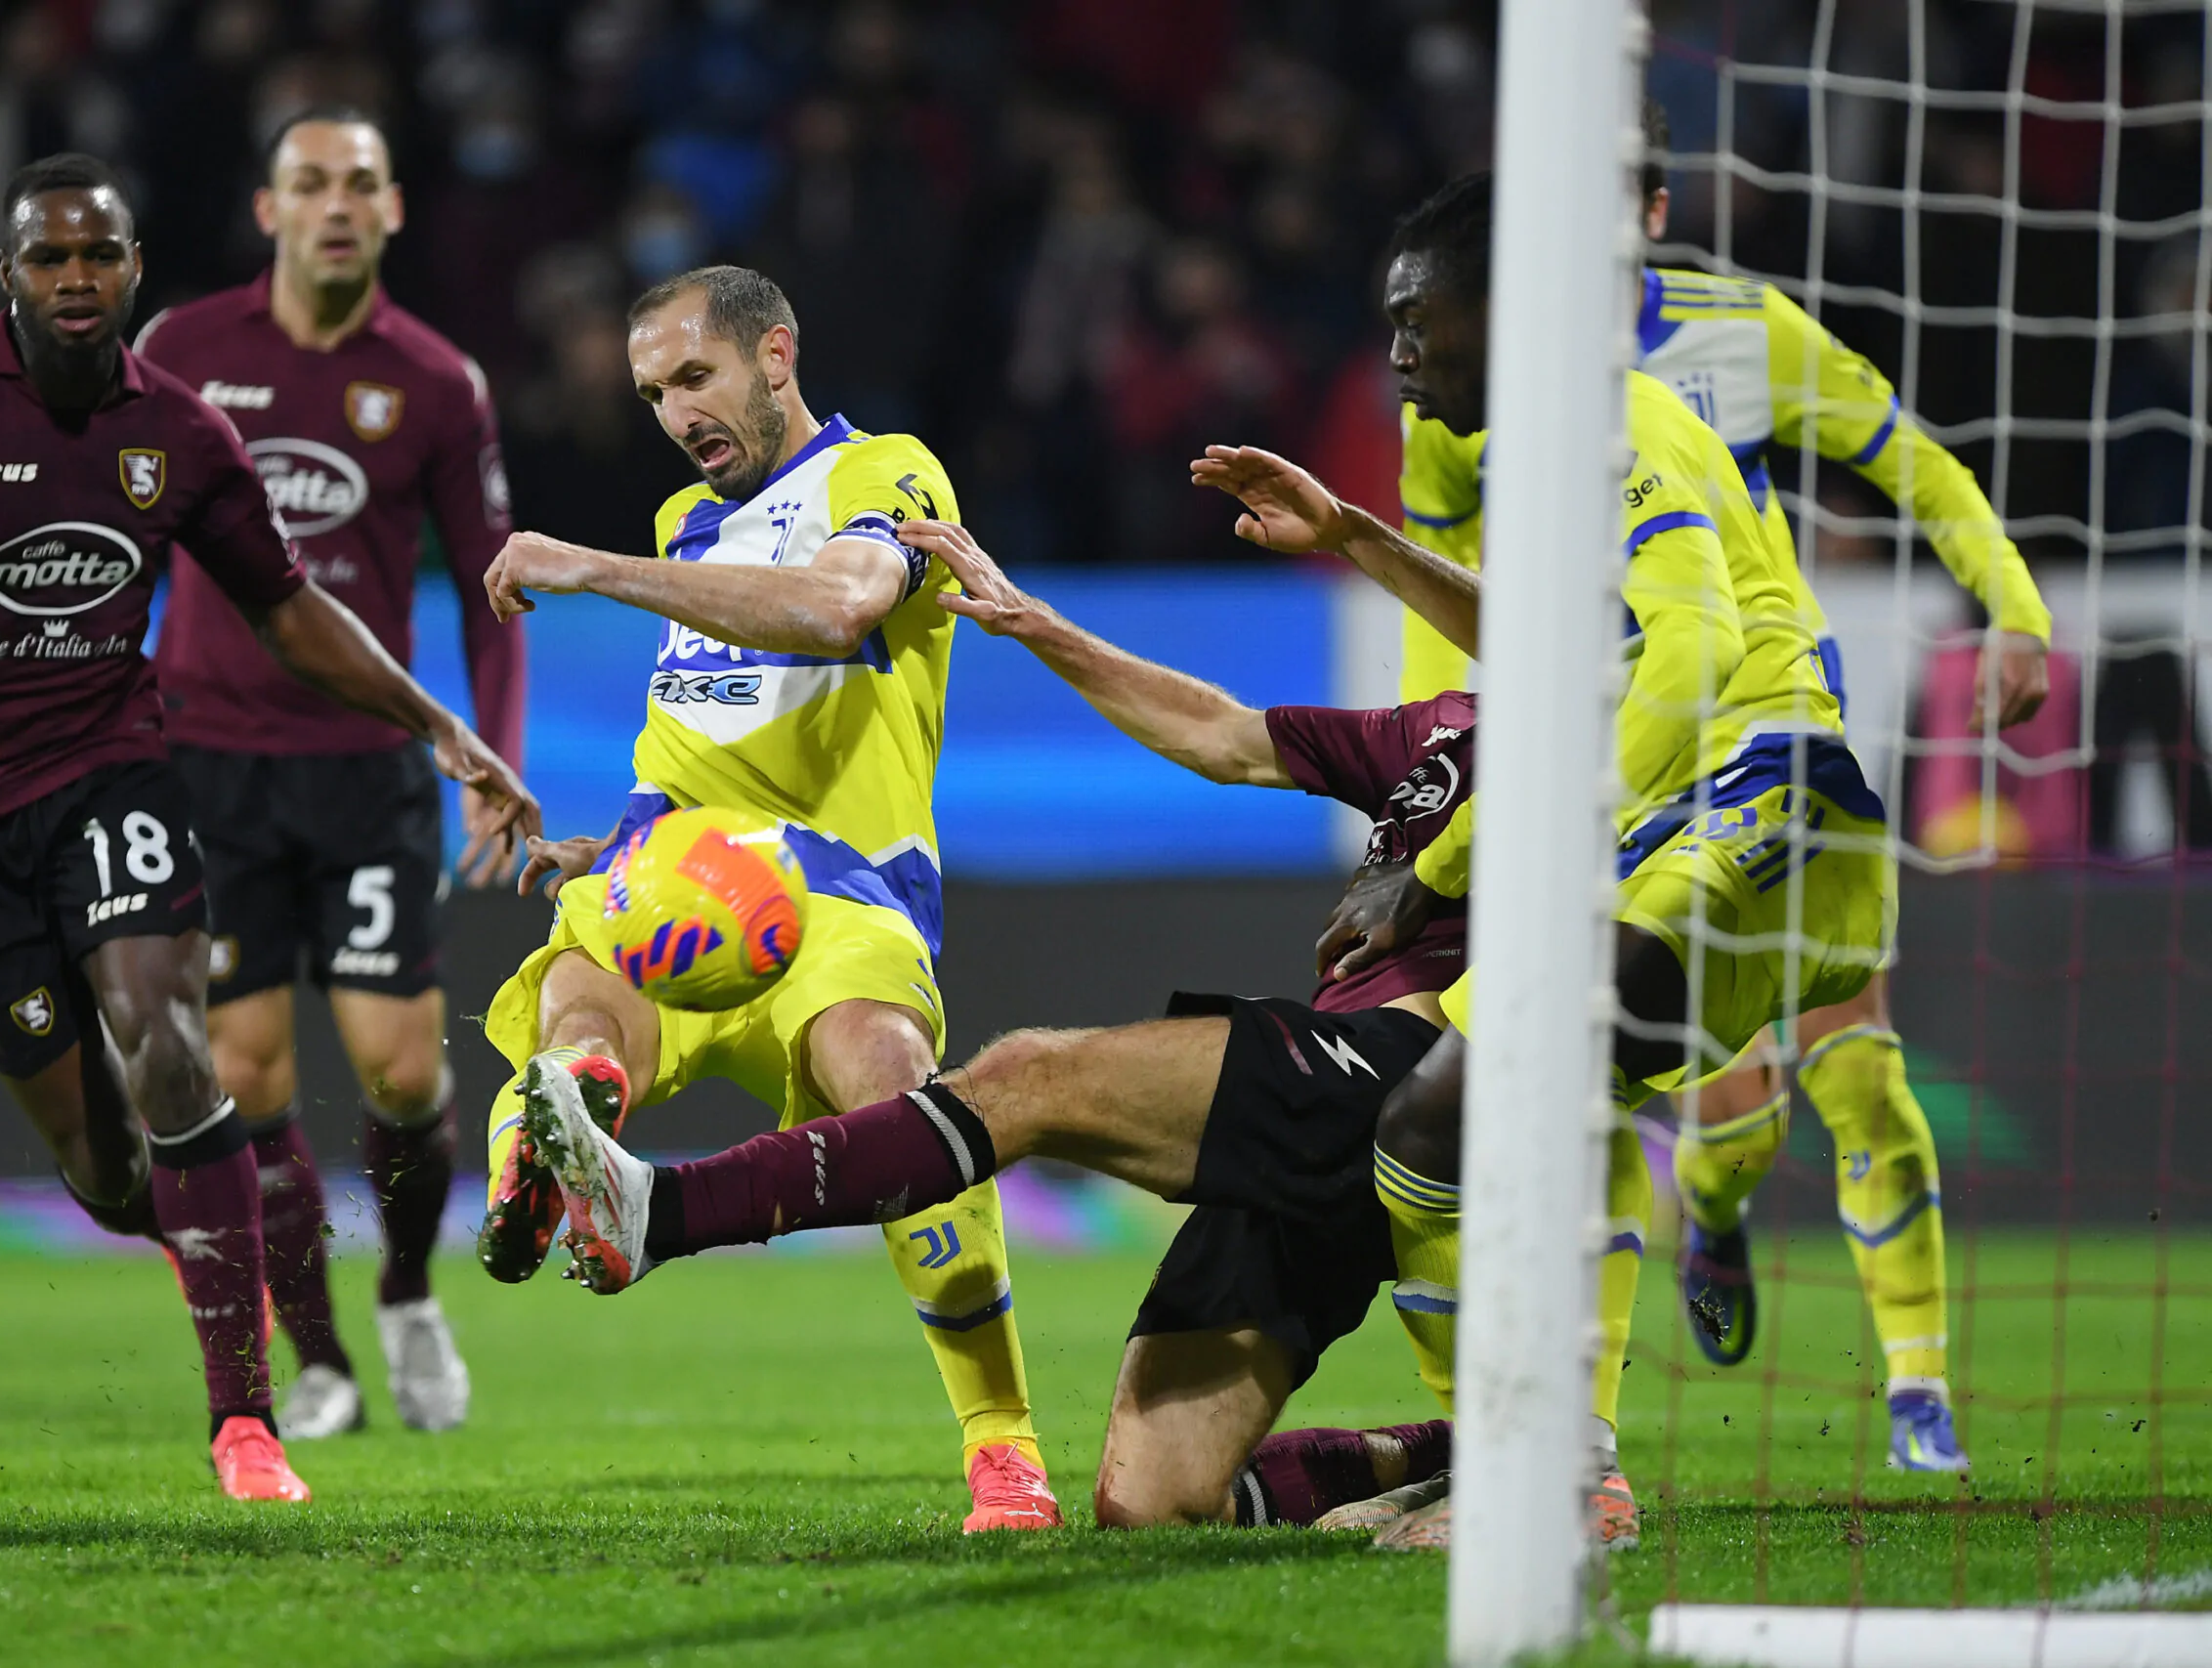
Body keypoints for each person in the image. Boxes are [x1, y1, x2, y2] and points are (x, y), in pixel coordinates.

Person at [0, 153, 538, 1503]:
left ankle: (246, 1421)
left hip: (114, 770)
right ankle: (201, 1241)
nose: (73, 279)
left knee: (172, 1045)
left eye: (96, 257)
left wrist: (434, 720)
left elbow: (289, 606)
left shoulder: (180, 430)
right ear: (8, 273)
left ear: (131, 272)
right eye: (47, 258)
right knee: (105, 1167)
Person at [508, 516, 1508, 1539]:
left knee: (1030, 1077)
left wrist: (1431, 877)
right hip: (1334, 1131)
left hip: (1415, 1072)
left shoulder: (1587, 734)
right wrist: (1035, 625)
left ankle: (657, 1212)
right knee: (1155, 1506)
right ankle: (1481, 1451)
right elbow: (1220, 734)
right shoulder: (1432, 729)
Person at [1190, 166, 1897, 1543]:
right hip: (1730, 833)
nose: (1395, 351)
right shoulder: (1560, 441)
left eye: (1417, 318)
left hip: (1767, 812)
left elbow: (1693, 657)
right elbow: (1575, 643)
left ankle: (1549, 1477)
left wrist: (1451, 866)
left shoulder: (1612, 418)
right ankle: (1543, 1460)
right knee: (1485, 1109)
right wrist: (1360, 540)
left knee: (1463, 1106)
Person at [1390, 103, 2048, 1472]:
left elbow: (1911, 461)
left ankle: (1919, 1395)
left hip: (1761, 744)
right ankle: (1588, 1421)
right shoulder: (1468, 384)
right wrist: (1431, 772)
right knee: (1670, 1112)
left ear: (1653, 214)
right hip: (1617, 772)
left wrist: (2016, 611)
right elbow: (1439, 586)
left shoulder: (1738, 336)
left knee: (1854, 1069)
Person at [474, 266, 1055, 1532]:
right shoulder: (688, 518)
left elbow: (842, 603)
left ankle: (1002, 1444)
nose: (677, 412)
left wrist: (591, 567)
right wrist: (614, 844)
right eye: (652, 393)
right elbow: (688, 725)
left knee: (896, 1092)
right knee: (579, 1000)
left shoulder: (886, 473)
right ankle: (558, 1138)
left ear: (775, 354)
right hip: (679, 868)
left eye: (695, 376)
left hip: (837, 886)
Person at [133, 108, 523, 1440]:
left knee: (401, 1069)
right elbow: (117, 527)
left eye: (360, 183)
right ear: (269, 209)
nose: (336, 204)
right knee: (241, 1069)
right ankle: (324, 1362)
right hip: (209, 766)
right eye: (312, 183)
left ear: (395, 210)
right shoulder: (181, 352)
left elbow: (491, 588)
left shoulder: (434, 379)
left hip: (364, 765)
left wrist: (491, 751)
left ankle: (410, 1286)